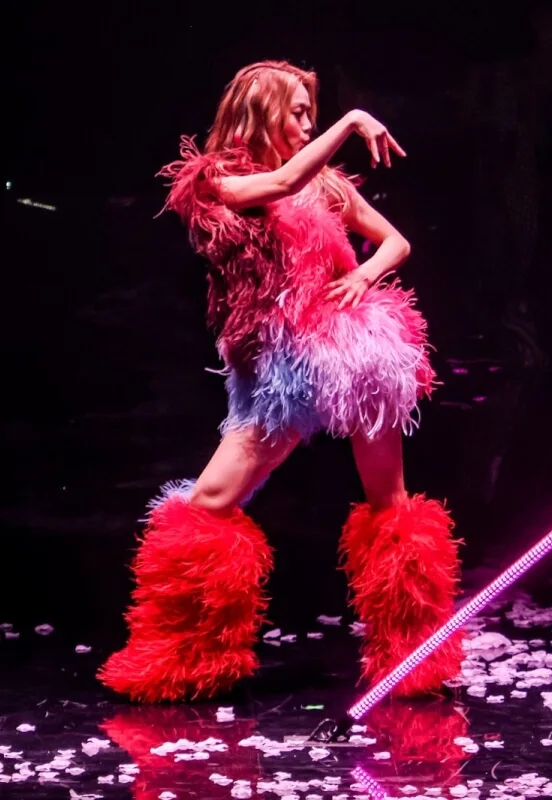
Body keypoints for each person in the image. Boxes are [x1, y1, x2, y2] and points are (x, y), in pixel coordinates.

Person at [97, 60, 463, 703]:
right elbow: (281, 182)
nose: (307, 124)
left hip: (352, 353)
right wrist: (352, 120)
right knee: (210, 501)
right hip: (280, 368)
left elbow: (395, 243)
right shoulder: (216, 182)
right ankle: (187, 658)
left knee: (391, 502)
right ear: (258, 112)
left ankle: (414, 661)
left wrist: (363, 275)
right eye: (296, 112)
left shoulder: (327, 184)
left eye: (311, 114)